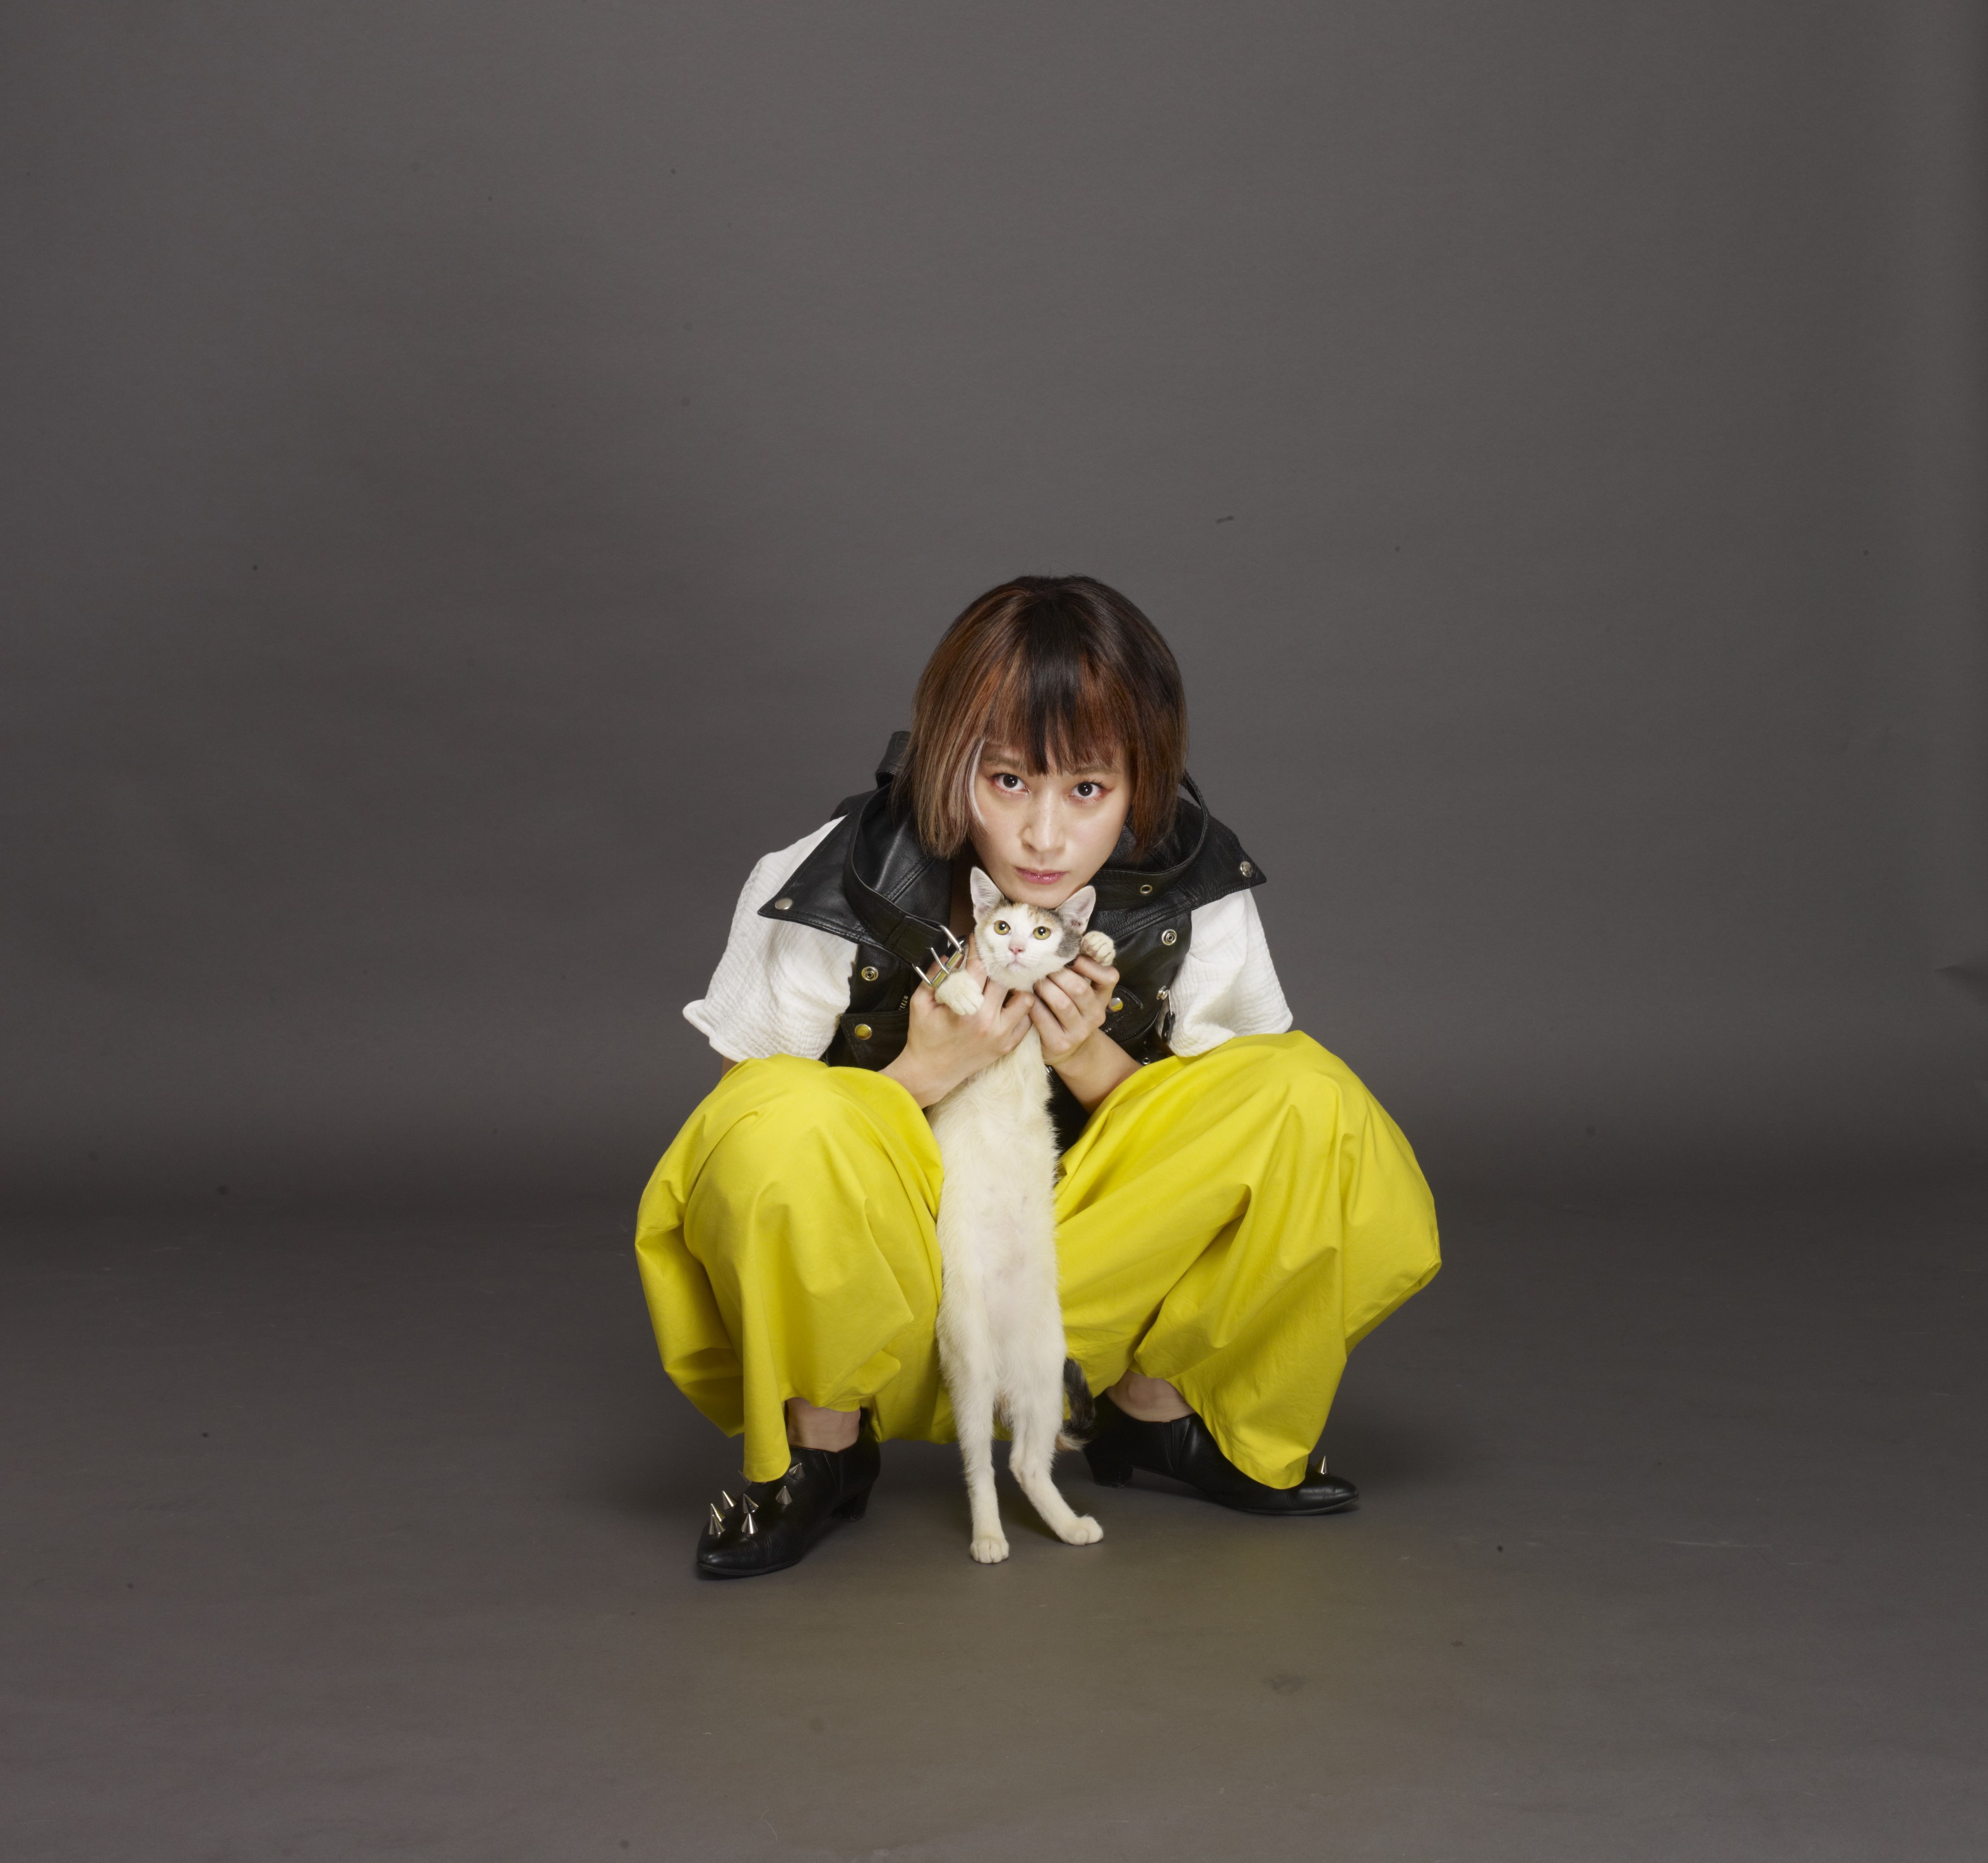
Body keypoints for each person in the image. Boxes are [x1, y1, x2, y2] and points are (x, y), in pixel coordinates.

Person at [634, 575, 1440, 1578]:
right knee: (779, 1116)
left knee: (1304, 1098)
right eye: (1009, 781)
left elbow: (1228, 1133)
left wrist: (1088, 1056)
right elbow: (744, 1130)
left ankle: (1155, 1414)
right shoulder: (835, 877)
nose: (1045, 838)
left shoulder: (1194, 889)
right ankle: (820, 1449)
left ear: (1143, 782)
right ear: (948, 763)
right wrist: (922, 1071)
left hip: (1071, 1288)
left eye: (1088, 790)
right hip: (883, 1286)